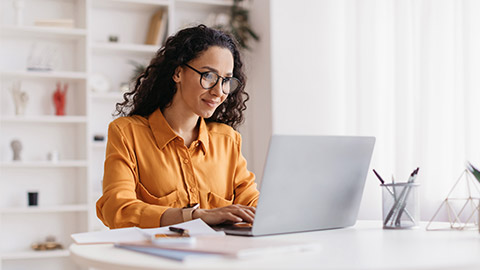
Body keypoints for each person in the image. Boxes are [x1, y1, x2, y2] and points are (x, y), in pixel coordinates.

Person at [96, 25, 259, 229]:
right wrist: (195, 216)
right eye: (208, 75)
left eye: (226, 80)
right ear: (178, 73)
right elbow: (117, 209)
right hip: (157, 258)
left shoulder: (227, 139)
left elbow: (253, 205)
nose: (219, 91)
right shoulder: (127, 133)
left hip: (219, 256)